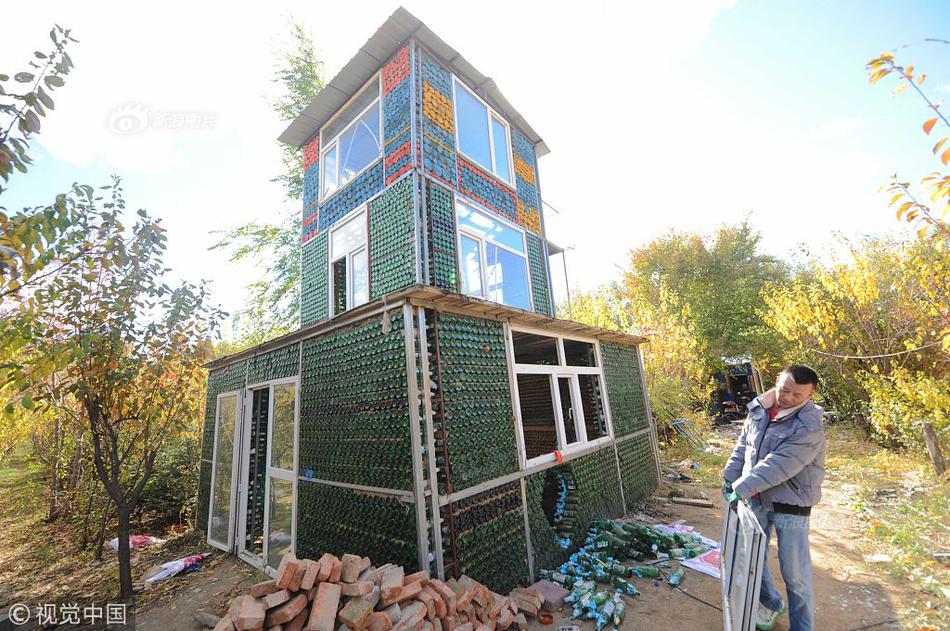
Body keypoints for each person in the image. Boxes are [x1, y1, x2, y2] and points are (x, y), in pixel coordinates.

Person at [722, 365, 826, 631]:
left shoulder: (809, 425)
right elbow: (744, 446)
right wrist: (729, 476)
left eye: (797, 396)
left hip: (791, 504)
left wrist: (741, 487)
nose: (787, 398)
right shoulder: (760, 409)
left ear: (810, 395)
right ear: (777, 382)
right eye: (784, 389)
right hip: (755, 498)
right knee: (753, 558)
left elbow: (780, 464)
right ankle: (772, 603)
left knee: (795, 573)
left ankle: (802, 627)